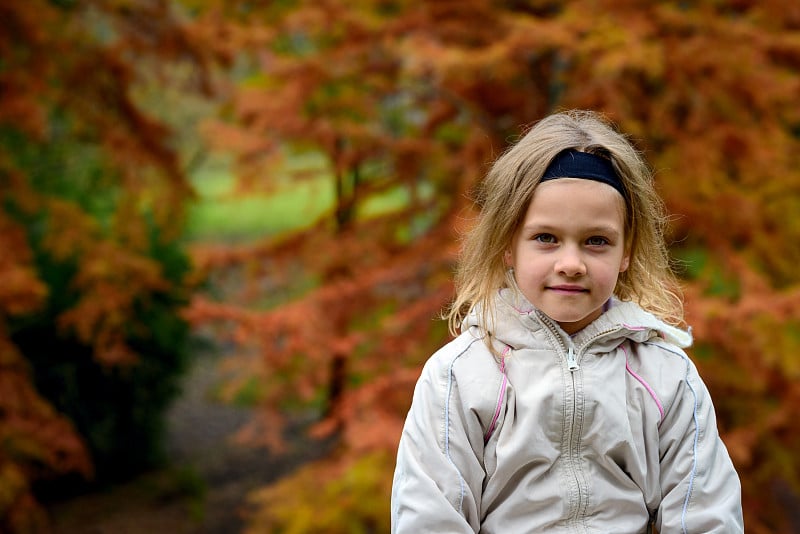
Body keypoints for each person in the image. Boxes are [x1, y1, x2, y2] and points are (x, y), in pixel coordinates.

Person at [391, 110, 743, 533]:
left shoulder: (666, 377)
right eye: (546, 238)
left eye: (597, 241)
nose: (571, 264)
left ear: (626, 250)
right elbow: (430, 518)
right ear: (508, 244)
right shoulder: (460, 376)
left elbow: (705, 513)